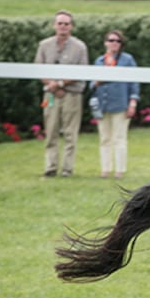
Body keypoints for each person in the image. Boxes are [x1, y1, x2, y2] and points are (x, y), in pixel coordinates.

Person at [34, 10, 89, 178]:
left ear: (71, 27)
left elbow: (82, 71)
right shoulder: (44, 45)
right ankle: (50, 167)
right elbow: (38, 69)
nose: (63, 26)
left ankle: (67, 169)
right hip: (50, 95)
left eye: (66, 24)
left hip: (71, 95)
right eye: (60, 23)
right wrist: (51, 85)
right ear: (54, 25)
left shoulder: (79, 47)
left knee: (70, 133)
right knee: (50, 132)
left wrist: (60, 84)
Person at [89, 30, 139, 179]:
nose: (114, 43)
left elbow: (134, 83)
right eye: (111, 40)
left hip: (120, 104)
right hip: (102, 104)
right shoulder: (99, 61)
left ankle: (119, 170)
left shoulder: (127, 60)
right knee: (104, 138)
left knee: (119, 138)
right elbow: (91, 84)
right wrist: (96, 82)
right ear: (106, 43)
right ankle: (105, 169)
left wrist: (133, 103)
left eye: (117, 41)